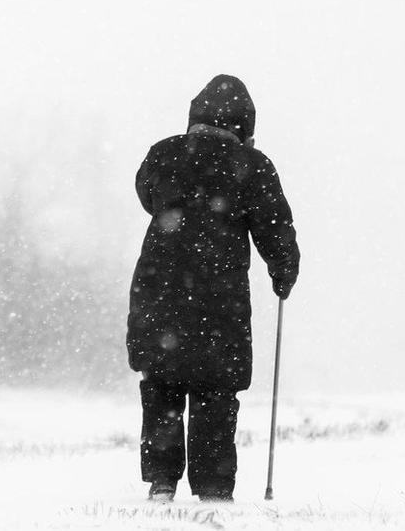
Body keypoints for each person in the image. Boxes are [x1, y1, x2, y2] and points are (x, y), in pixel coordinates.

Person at [126, 74, 300, 503]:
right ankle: (214, 489)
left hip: (158, 289)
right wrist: (284, 270)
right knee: (216, 390)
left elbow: (148, 196)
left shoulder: (164, 154)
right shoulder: (252, 166)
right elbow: (274, 226)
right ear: (245, 125)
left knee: (161, 385)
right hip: (218, 297)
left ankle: (162, 484)